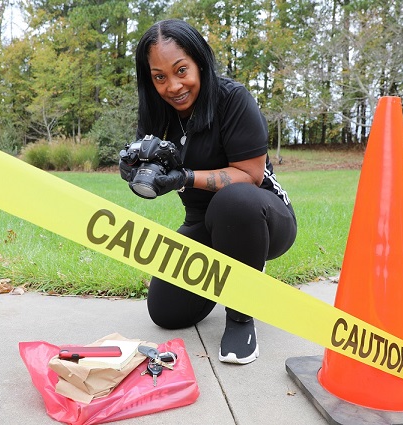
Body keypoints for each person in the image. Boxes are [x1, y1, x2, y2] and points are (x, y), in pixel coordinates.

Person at [119, 19, 297, 365]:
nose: (173, 86)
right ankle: (232, 270)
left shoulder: (233, 99)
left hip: (261, 216)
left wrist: (183, 177)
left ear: (199, 61)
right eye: (160, 77)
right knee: (166, 312)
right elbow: (154, 170)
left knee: (232, 201)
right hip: (204, 224)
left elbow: (249, 175)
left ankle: (242, 314)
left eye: (181, 70)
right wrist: (134, 168)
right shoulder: (158, 114)